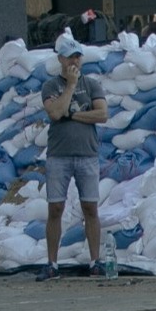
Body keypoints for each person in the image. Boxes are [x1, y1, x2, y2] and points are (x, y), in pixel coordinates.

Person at [39, 33, 107, 280]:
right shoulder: (51, 86)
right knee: (55, 208)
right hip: (59, 155)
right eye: (70, 58)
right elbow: (55, 113)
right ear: (60, 59)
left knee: (90, 207)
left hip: (87, 154)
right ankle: (52, 263)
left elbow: (102, 115)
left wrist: (74, 115)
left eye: (77, 57)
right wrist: (69, 86)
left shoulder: (92, 85)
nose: (74, 62)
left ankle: (95, 261)